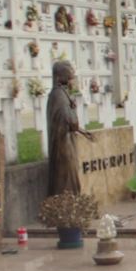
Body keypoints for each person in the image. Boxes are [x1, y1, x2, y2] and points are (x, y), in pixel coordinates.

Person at [46, 60, 93, 196]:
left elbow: (71, 122)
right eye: (71, 78)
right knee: (66, 178)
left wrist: (83, 132)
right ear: (61, 78)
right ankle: (66, 206)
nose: (73, 82)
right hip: (63, 146)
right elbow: (72, 122)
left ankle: (69, 204)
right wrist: (73, 109)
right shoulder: (59, 96)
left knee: (69, 177)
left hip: (65, 142)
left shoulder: (61, 94)